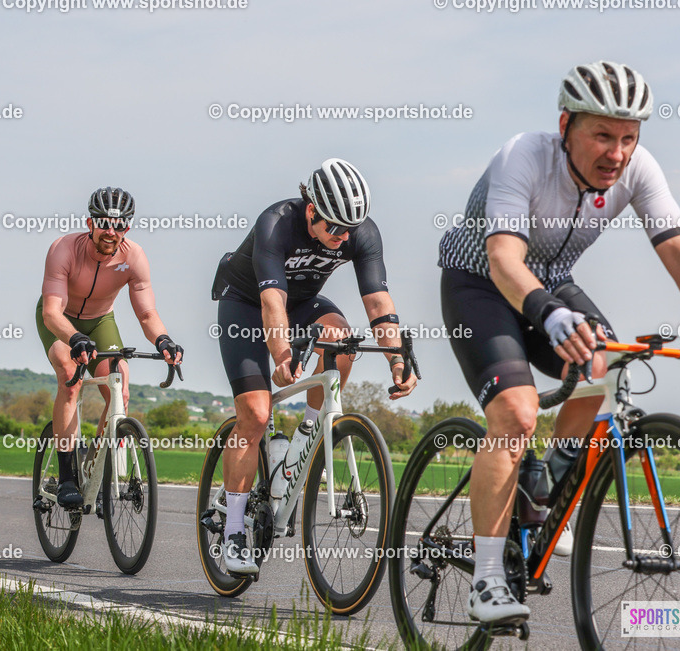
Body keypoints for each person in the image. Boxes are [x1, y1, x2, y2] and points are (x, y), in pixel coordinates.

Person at [437, 61, 680, 624]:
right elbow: (504, 259)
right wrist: (547, 313)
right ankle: (485, 581)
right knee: (515, 410)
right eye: (602, 135)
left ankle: (547, 486)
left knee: (603, 363)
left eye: (628, 137)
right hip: (481, 284)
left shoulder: (638, 168)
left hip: (553, 284)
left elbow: (675, 244)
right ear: (566, 125)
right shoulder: (523, 157)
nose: (617, 153)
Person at [212, 158, 418, 575]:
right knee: (254, 414)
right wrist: (283, 356)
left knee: (342, 341)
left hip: (303, 305)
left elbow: (378, 304)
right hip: (248, 306)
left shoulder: (361, 232)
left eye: (349, 230)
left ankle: (307, 432)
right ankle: (233, 529)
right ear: (311, 211)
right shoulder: (276, 223)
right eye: (335, 229)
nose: (342, 238)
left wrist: (397, 358)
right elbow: (272, 303)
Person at [37, 187, 183, 509]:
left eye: (118, 225)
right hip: (61, 321)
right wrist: (73, 338)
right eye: (104, 223)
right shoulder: (63, 249)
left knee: (121, 389)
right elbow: (51, 312)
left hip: (101, 321)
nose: (111, 231)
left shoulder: (134, 257)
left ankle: (96, 465)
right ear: (90, 223)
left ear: (127, 227)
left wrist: (164, 340)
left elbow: (146, 313)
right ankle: (66, 475)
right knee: (69, 377)